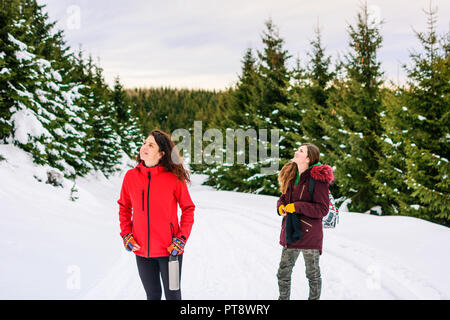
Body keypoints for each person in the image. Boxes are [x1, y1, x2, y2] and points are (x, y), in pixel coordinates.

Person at [117, 129, 195, 300]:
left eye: (151, 145)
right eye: (145, 143)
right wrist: (126, 235)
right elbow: (124, 207)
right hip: (142, 252)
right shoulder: (131, 177)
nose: (144, 147)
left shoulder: (174, 178)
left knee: (173, 295)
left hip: (171, 252)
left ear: (161, 154)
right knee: (152, 295)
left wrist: (181, 239)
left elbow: (188, 208)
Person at [276, 143, 334, 300]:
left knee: (312, 275)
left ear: (308, 158)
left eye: (301, 151)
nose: (296, 151)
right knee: (283, 273)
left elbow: (322, 209)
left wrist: (296, 207)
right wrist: (281, 207)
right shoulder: (291, 173)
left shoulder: (318, 179)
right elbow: (283, 198)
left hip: (309, 235)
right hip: (290, 232)